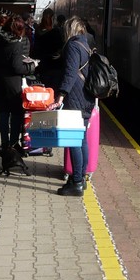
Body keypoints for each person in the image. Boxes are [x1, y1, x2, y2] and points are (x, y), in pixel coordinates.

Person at [54, 16, 95, 197]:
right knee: (82, 140)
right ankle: (82, 179)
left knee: (73, 141)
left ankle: (76, 182)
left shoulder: (72, 45)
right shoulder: (86, 45)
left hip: (76, 99)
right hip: (87, 97)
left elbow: (70, 74)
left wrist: (61, 95)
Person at [0, 14, 37, 158]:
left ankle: (4, 143)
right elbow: (17, 67)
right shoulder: (15, 44)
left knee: (3, 114)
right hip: (13, 84)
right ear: (18, 30)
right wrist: (31, 66)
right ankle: (13, 144)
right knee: (16, 114)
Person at [32, 7, 64, 90]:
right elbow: (60, 47)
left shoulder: (38, 30)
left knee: (45, 88)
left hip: (43, 65)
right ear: (51, 18)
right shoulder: (55, 32)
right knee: (53, 89)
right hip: (54, 65)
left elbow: (36, 49)